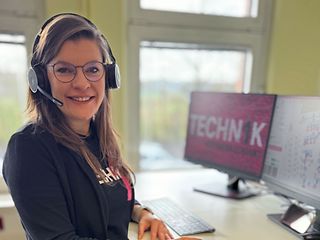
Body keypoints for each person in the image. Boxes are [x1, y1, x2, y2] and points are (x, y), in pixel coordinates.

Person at [2, 13, 200, 240]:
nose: (82, 83)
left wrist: (142, 213)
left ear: (108, 77)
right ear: (41, 79)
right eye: (64, 70)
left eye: (93, 69)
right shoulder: (29, 148)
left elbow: (113, 196)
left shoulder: (98, 136)